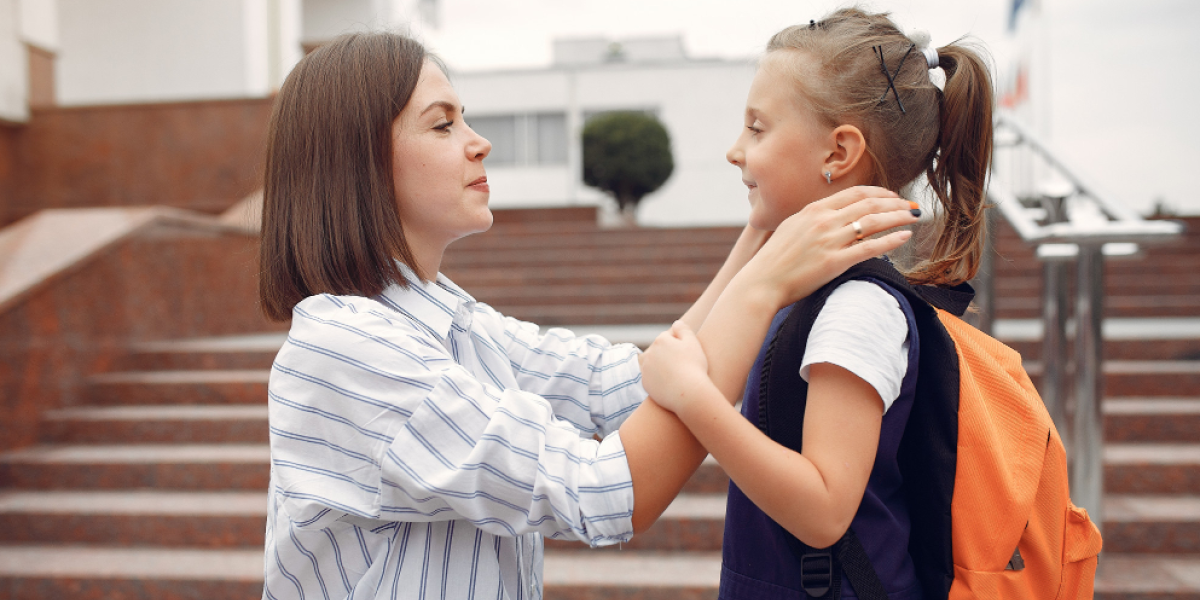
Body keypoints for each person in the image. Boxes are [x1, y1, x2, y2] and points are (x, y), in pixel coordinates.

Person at [257, 31, 919, 599]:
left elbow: (622, 387)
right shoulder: (344, 349)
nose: (479, 143)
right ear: (358, 162)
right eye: (443, 124)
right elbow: (603, 492)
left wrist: (761, 235)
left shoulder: (452, 320)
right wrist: (764, 285)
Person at [640, 8, 994, 600]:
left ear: (839, 152)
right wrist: (759, 231)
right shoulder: (811, 292)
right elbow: (691, 347)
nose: (735, 150)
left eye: (757, 128)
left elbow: (825, 507)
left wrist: (696, 398)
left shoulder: (857, 310)